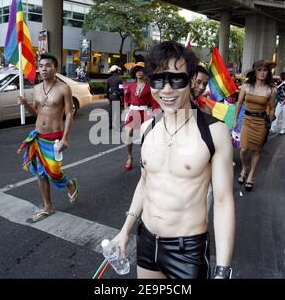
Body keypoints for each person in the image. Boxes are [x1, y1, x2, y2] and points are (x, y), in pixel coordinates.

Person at [111, 41, 235, 279]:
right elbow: (146, 182)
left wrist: (222, 269)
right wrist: (125, 231)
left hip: (187, 250)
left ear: (190, 80)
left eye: (176, 79)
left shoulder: (214, 132)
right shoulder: (147, 128)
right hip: (146, 242)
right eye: (158, 80)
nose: (166, 90)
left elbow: (222, 201)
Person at [17, 52, 79, 223]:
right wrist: (26, 105)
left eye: (48, 66)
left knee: (54, 172)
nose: (44, 69)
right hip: (37, 137)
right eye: (41, 66)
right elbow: (37, 114)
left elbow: (69, 114)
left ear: (55, 68)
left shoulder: (64, 88)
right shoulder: (36, 88)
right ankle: (48, 206)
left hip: (54, 137)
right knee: (40, 173)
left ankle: (70, 184)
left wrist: (65, 139)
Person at [233, 60, 276, 192]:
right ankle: (245, 168)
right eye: (259, 70)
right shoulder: (246, 87)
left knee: (256, 150)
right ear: (255, 72)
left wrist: (270, 120)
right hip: (247, 120)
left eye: (265, 70)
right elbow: (239, 104)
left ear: (268, 73)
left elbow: (272, 108)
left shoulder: (271, 90)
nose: (262, 72)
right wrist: (235, 120)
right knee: (243, 150)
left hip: (261, 123)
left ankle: (251, 175)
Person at [123, 61, 159, 171]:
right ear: (134, 72)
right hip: (132, 111)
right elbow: (126, 97)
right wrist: (125, 109)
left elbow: (154, 103)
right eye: (137, 70)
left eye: (141, 70)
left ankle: (143, 157)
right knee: (128, 134)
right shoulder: (131, 85)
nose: (139, 72)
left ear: (145, 72)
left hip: (144, 113)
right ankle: (129, 156)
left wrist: (155, 115)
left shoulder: (149, 87)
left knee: (144, 137)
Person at [106, 64, 123, 129]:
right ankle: (117, 126)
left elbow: (106, 89)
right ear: (116, 71)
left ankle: (110, 125)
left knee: (111, 111)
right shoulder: (119, 79)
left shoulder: (109, 79)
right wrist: (121, 96)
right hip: (117, 96)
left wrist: (108, 96)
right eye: (118, 70)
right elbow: (121, 90)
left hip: (111, 96)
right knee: (117, 111)